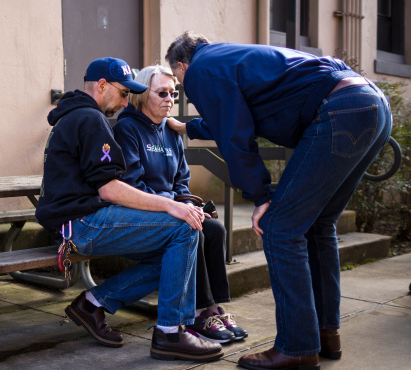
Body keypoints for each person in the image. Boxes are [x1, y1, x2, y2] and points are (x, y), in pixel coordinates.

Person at [165, 32, 392, 369]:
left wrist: (260, 196)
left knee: (279, 227)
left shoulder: (201, 70)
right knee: (318, 225)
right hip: (369, 103)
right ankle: (326, 334)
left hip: (339, 110)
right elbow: (238, 114)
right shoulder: (229, 57)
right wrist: (190, 128)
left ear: (182, 65)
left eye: (178, 81)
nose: (184, 87)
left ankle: (297, 346)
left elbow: (235, 136)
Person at [35, 56, 223, 362]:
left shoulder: (78, 117)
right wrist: (171, 206)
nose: (125, 102)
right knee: (184, 227)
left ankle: (93, 303)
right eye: (123, 93)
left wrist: (174, 203)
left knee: (174, 256)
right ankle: (171, 332)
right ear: (101, 86)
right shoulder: (89, 119)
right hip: (82, 225)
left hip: (79, 221)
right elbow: (109, 188)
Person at [113, 64, 247, 344]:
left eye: (173, 94)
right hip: (143, 213)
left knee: (215, 229)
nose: (170, 100)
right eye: (162, 93)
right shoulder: (127, 128)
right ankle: (199, 312)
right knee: (193, 229)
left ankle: (213, 308)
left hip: (173, 209)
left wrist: (187, 203)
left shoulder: (171, 131)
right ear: (141, 94)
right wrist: (174, 205)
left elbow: (181, 182)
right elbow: (132, 184)